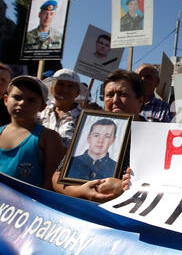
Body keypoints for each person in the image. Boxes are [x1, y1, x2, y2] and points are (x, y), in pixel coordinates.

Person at [52, 69, 145, 202]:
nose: (115, 100)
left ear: (140, 100)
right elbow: (57, 177)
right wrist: (81, 191)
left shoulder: (154, 137)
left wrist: (125, 188)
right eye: (109, 95)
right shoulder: (88, 128)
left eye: (123, 94)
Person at [0, 75, 65, 189]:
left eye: (31, 100)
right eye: (17, 97)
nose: (22, 103)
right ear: (6, 99)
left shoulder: (49, 138)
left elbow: (52, 183)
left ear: (43, 107)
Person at [38, 69, 82, 148]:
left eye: (70, 86)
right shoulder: (41, 112)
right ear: (51, 89)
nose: (65, 89)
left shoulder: (83, 118)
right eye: (60, 84)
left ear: (77, 92)